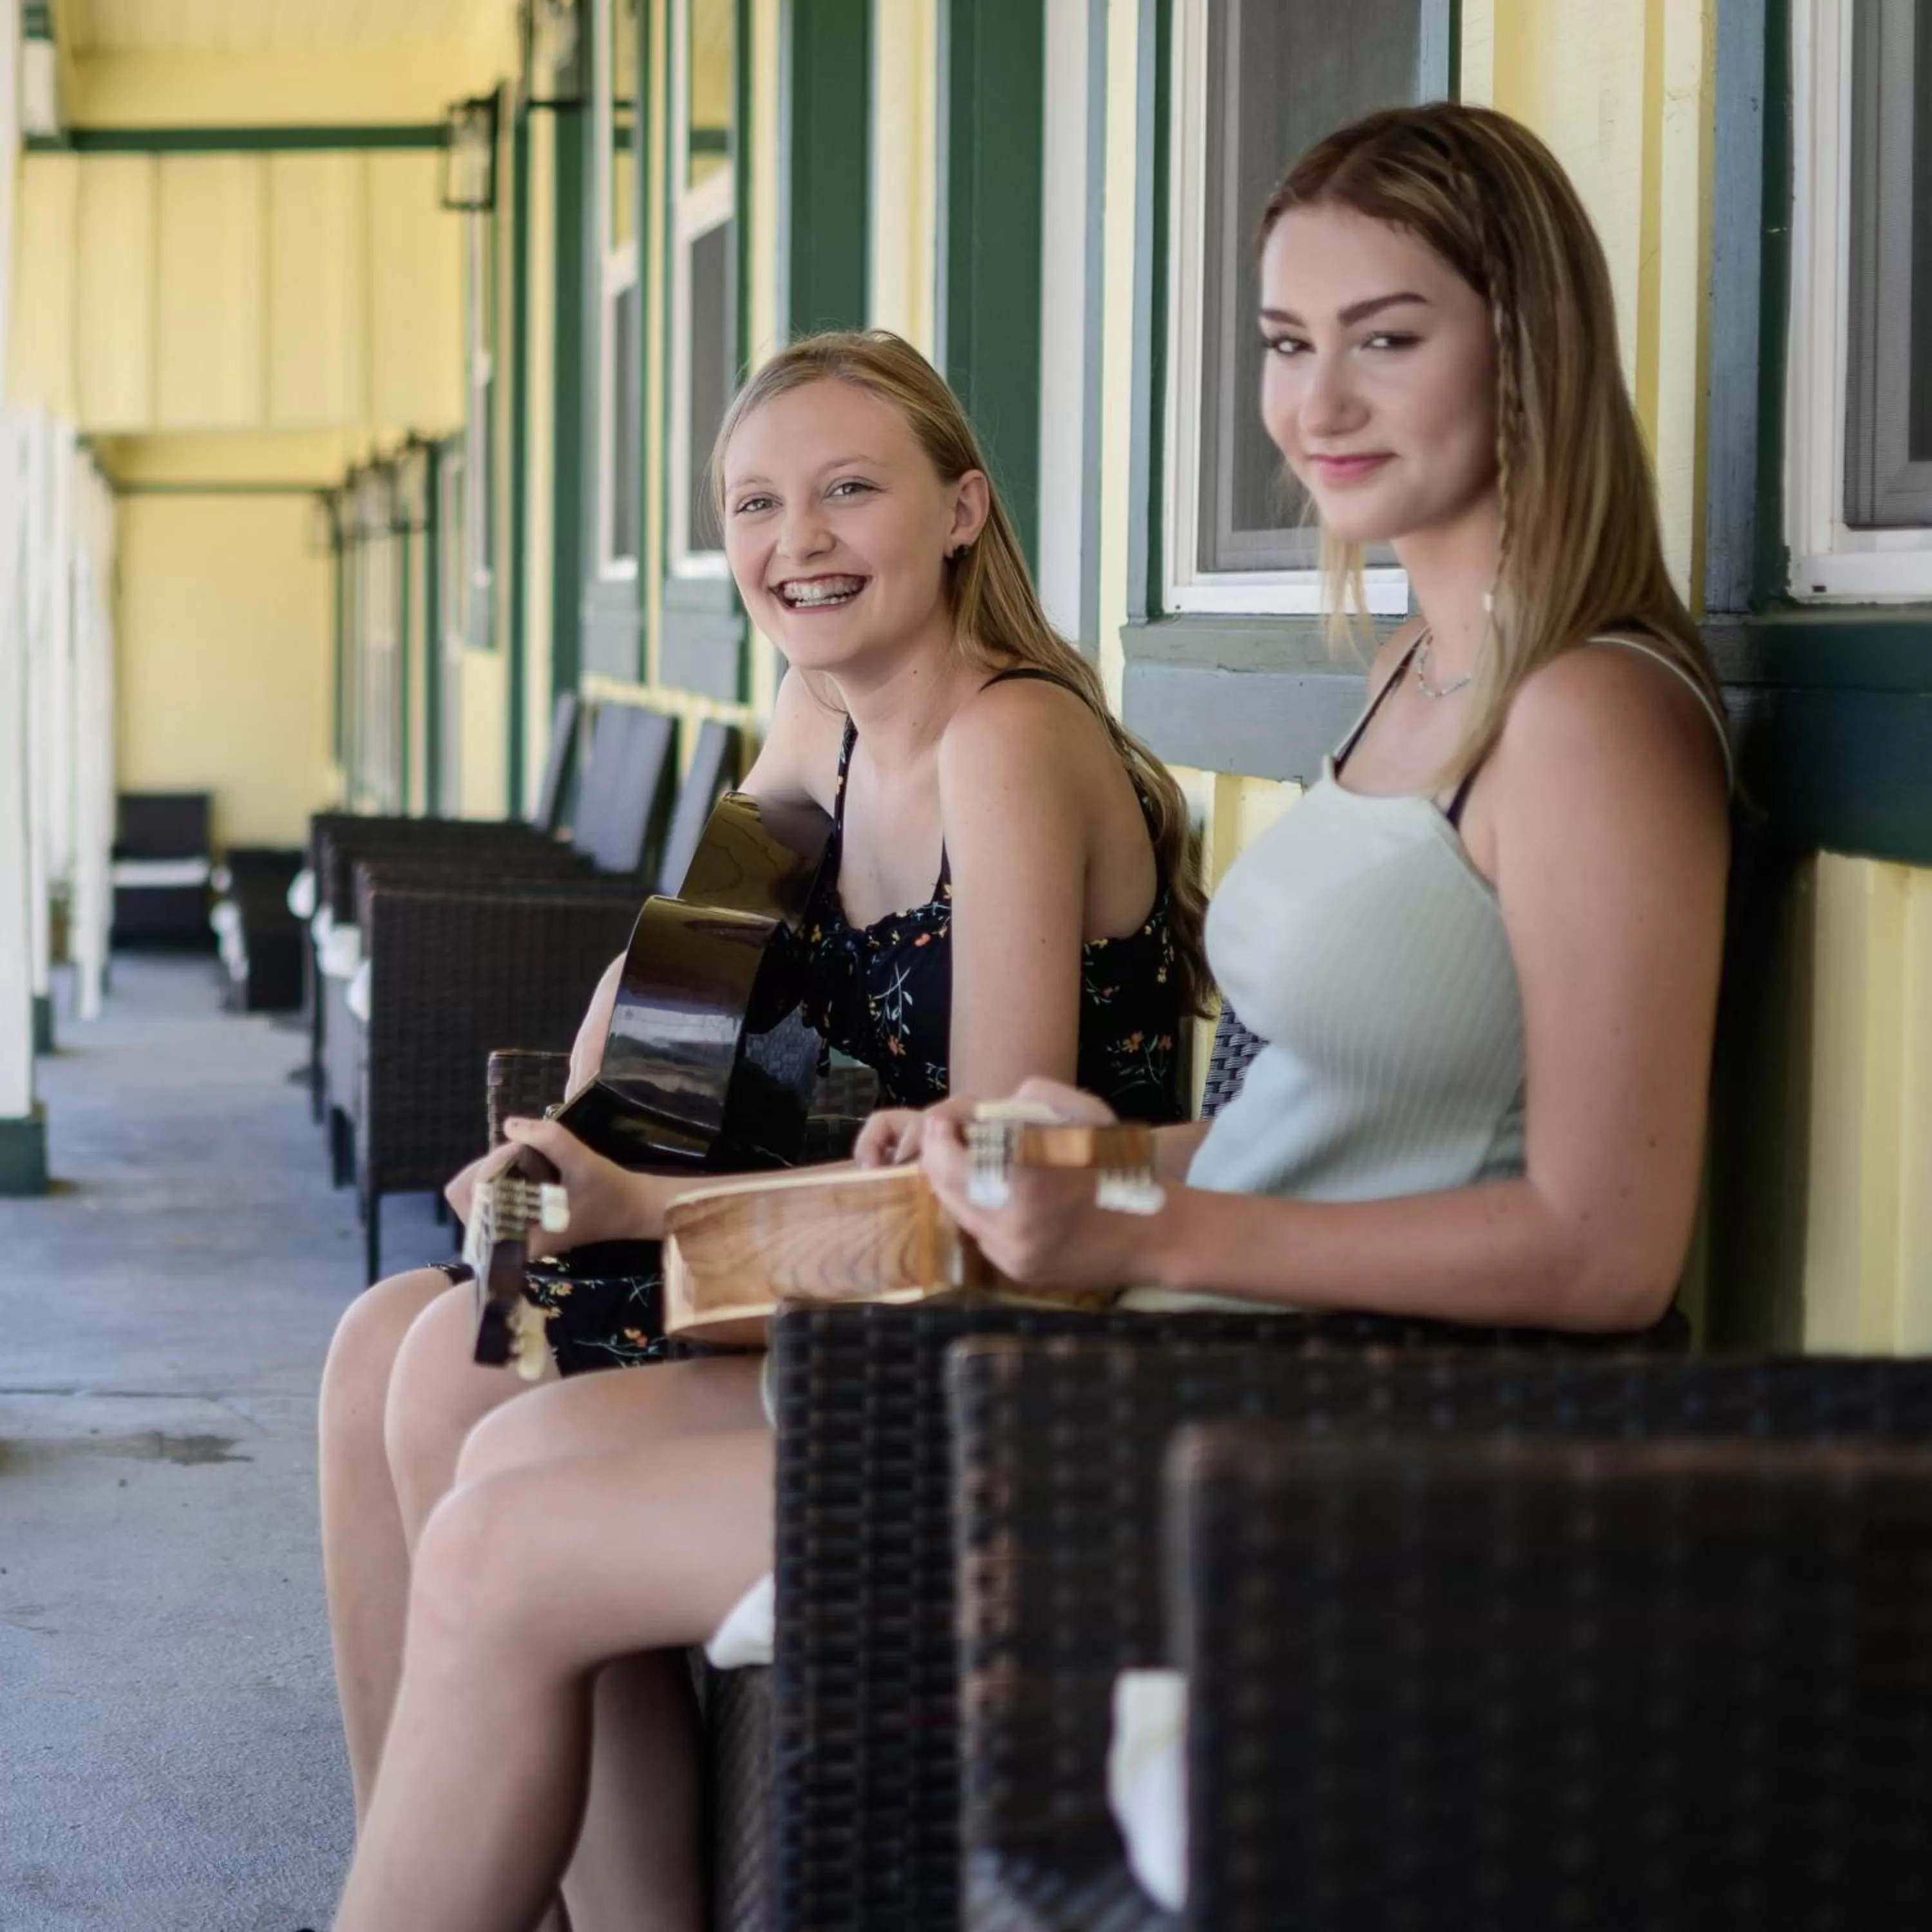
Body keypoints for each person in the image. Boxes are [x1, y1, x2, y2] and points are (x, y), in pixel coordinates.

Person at [330, 102, 1731, 1932]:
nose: (1319, 402)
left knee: (498, 1486)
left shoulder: (1590, 722)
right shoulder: (1412, 677)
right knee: (466, 1407)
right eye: (1287, 346)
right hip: (1160, 1335)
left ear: (1525, 347)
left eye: (1387, 338)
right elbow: (1280, 1116)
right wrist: (1075, 1156)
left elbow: (1610, 1251)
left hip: (1294, 1423)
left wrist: (1129, 1212)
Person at [320, 328, 1203, 1931]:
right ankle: (442, 1872)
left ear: (961, 511)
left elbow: (989, 1193)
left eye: (847, 491)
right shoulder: (825, 720)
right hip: (861, 1276)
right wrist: (564, 1143)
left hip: (1010, 1321)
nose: (795, 543)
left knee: (458, 1373)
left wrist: (635, 1209)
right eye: (754, 505)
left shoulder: (1012, 741)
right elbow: (673, 978)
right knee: (383, 1341)